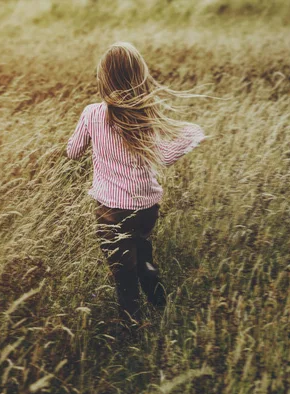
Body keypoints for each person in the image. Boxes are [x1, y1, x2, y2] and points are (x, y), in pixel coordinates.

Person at [66, 41, 206, 329]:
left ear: (104, 78)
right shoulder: (146, 113)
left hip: (111, 210)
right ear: (138, 75)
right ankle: (159, 303)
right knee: (143, 253)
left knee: (123, 272)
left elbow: (73, 150)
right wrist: (193, 132)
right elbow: (165, 156)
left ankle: (132, 325)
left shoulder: (92, 114)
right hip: (146, 207)